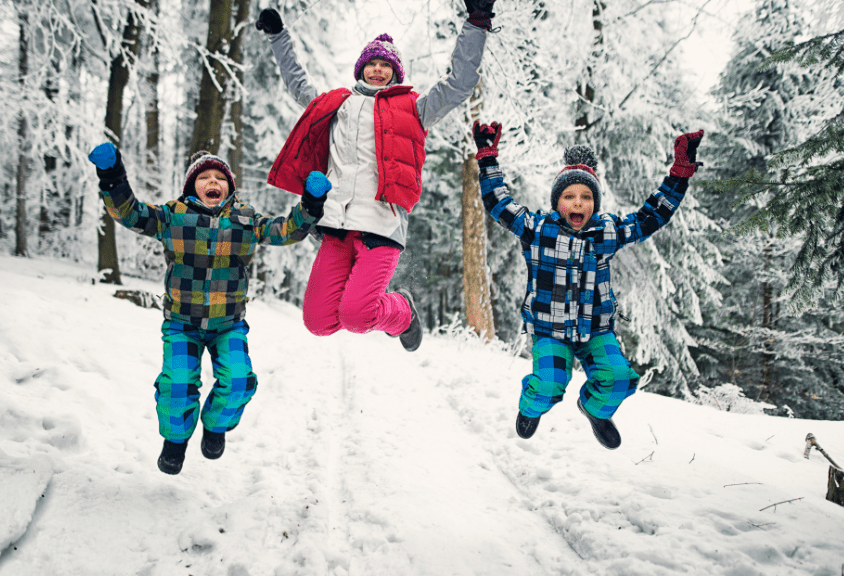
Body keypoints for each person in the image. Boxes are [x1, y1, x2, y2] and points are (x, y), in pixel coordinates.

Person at [254, 1, 498, 352]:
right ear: (361, 68)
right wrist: (278, 36)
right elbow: (297, 84)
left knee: (357, 316)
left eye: (386, 65)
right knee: (318, 321)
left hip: (381, 226)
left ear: (396, 72)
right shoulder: (336, 105)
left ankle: (403, 311)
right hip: (336, 225)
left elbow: (459, 85)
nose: (378, 70)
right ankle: (388, 309)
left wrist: (477, 23)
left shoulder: (413, 109)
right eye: (372, 63)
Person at [88, 143, 329, 474]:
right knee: (177, 385)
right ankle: (175, 441)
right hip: (182, 323)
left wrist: (311, 203)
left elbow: (286, 231)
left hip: (227, 324)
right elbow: (129, 213)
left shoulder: (245, 220)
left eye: (220, 177)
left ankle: (215, 426)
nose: (213, 181)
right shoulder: (173, 216)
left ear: (229, 187)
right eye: (204, 177)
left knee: (240, 381)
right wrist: (112, 176)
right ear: (191, 186)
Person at [471, 120, 705, 449]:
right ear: (556, 202)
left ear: (595, 203)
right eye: (568, 196)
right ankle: (532, 407)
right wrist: (487, 158)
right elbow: (499, 203)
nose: (577, 203)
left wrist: (680, 173)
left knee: (619, 378)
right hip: (550, 329)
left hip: (595, 329)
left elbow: (652, 216)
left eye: (585, 197)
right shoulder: (537, 229)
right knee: (549, 383)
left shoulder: (606, 232)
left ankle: (594, 409)